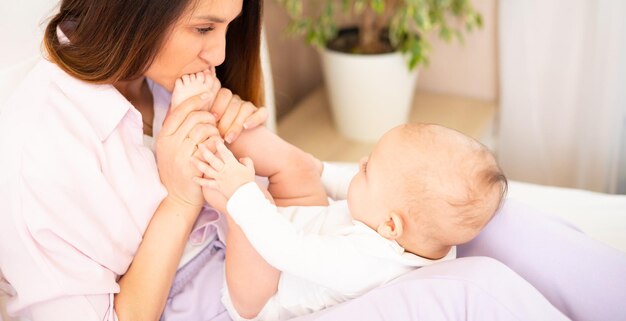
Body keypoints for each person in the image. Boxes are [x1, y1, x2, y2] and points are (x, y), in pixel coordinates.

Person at [0, 0, 624, 321]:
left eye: (228, 27)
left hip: (271, 250)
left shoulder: (160, 72)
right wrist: (181, 197)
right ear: (130, 5)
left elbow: (274, 183)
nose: (218, 54)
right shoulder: (40, 142)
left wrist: (273, 158)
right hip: (236, 302)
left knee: (487, 219)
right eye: (203, 28)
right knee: (477, 288)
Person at [194, 120, 508, 320]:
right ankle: (219, 117)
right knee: (297, 164)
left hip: (264, 294)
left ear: (390, 226)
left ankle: (209, 160)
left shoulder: (364, 264)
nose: (360, 162)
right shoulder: (413, 229)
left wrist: (242, 193)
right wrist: (316, 169)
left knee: (248, 203)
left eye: (368, 170)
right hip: (307, 222)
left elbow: (286, 250)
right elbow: (349, 185)